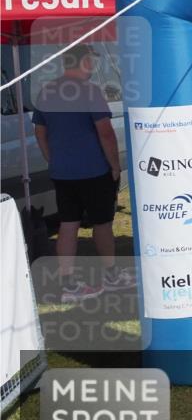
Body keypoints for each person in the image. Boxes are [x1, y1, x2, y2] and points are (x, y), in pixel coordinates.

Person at [32, 44, 134, 303]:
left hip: (63, 173)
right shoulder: (90, 91)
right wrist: (114, 166)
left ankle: (68, 284)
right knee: (102, 223)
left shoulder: (46, 92)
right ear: (84, 61)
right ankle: (111, 276)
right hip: (94, 171)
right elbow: (106, 133)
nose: (94, 65)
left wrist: (52, 159)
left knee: (68, 224)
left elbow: (40, 132)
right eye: (92, 60)